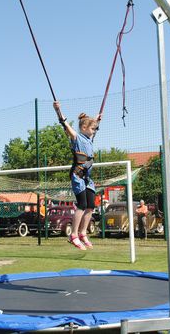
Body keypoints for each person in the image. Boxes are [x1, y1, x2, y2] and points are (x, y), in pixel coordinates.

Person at [54, 101, 101, 251]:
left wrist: (97, 119)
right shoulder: (77, 137)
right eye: (93, 128)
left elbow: (94, 127)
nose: (95, 131)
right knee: (81, 205)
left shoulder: (89, 139)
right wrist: (58, 110)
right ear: (84, 128)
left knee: (90, 206)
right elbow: (64, 124)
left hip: (88, 178)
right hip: (78, 176)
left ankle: (82, 232)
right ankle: (73, 235)